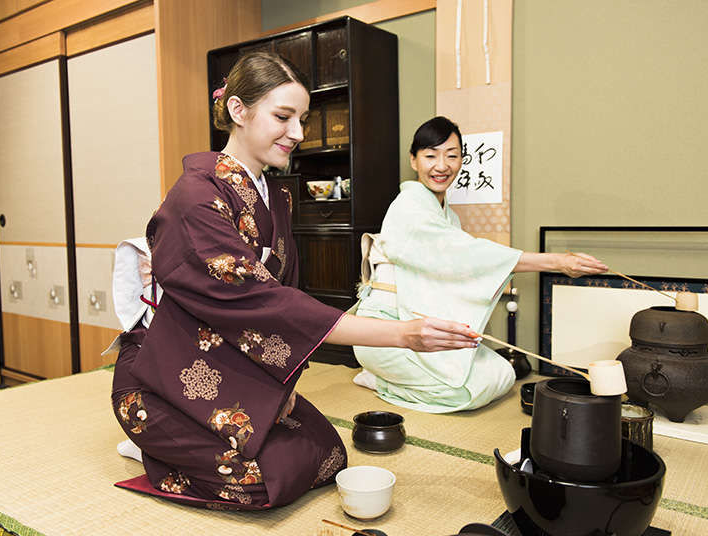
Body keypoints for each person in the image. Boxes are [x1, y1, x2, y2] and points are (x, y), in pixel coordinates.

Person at [110, 55, 480, 510]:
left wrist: (279, 389)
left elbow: (282, 304)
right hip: (166, 374)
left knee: (328, 455)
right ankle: (152, 446)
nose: (299, 133)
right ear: (238, 111)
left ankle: (199, 441)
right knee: (259, 482)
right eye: (283, 117)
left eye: (302, 119)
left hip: (231, 363)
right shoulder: (196, 198)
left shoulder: (276, 197)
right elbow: (266, 304)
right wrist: (403, 335)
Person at [351, 116, 607, 414]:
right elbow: (468, 255)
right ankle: (378, 379)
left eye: (452, 155)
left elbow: (460, 265)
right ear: (414, 160)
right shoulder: (408, 206)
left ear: (462, 160)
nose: (441, 165)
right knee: (462, 393)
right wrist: (554, 261)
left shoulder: (448, 217)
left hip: (420, 326)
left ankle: (397, 378)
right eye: (431, 155)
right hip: (384, 330)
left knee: (502, 375)